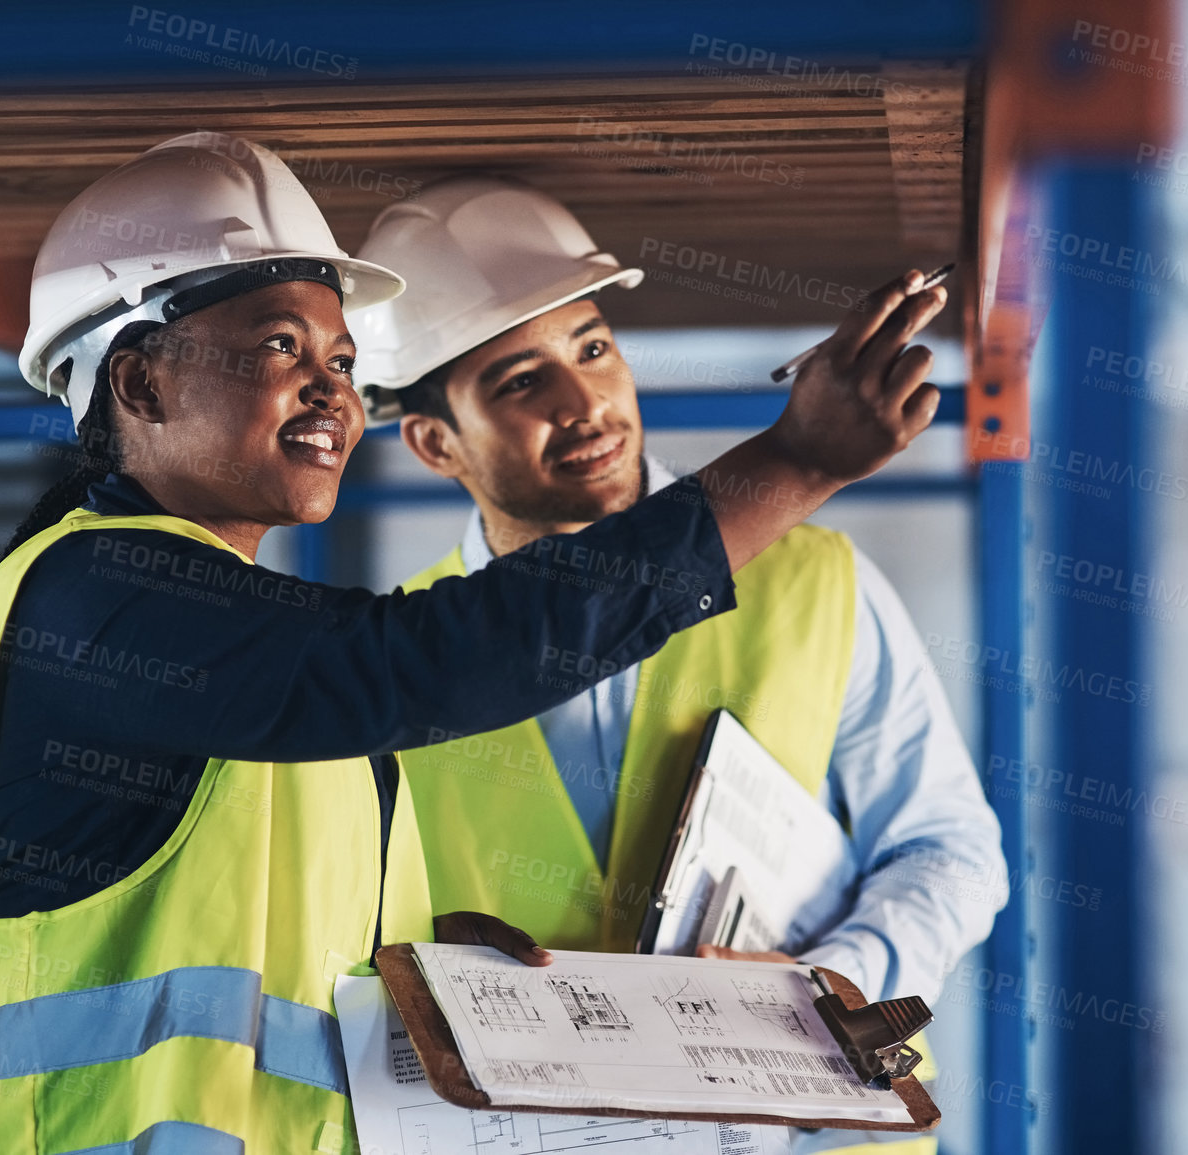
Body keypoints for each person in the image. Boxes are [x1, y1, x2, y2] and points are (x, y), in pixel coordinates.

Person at [0, 137, 946, 1155]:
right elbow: (418, 663)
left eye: (340, 357)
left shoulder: (238, 619)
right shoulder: (97, 593)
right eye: (282, 347)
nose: (332, 389)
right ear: (141, 382)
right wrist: (794, 463)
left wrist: (440, 975)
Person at [352, 176, 1008, 1153]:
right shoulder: (392, 654)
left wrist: (831, 982)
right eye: (521, 382)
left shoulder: (816, 581)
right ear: (435, 441)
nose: (587, 405)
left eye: (594, 350)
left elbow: (950, 850)